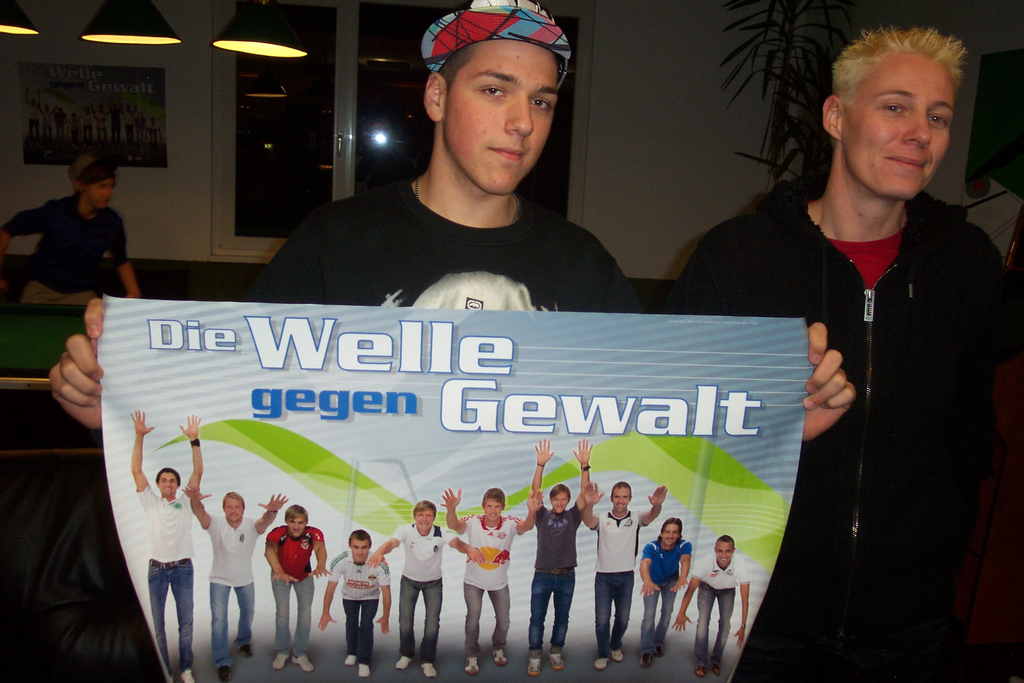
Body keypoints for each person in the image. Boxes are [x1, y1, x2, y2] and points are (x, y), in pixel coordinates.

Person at [665, 27, 1000, 682]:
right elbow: (672, 431)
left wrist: (935, 560)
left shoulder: (967, 265)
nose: (920, 134)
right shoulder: (737, 256)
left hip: (903, 622)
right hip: (756, 609)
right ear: (836, 116)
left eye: (938, 117)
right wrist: (772, 421)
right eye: (896, 107)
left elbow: (968, 439)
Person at [0, 153, 140, 304]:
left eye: (111, 186)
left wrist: (135, 296)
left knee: (95, 315)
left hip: (80, 291)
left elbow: (121, 261)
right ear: (81, 185)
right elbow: (6, 231)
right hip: (41, 289)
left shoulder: (111, 222)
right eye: (102, 186)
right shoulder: (55, 213)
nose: (109, 193)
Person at [182, 488, 288, 682]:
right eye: (229, 507)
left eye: (237, 507)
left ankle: (243, 640)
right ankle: (222, 662)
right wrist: (195, 501)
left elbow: (265, 521)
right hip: (219, 579)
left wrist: (272, 510)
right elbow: (200, 512)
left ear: (243, 509)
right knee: (219, 620)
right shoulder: (215, 523)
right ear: (223, 508)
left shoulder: (251, 525)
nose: (233, 511)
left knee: (248, 612)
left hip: (245, 579)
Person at [130, 411, 203, 683]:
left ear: (177, 485)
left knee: (186, 624)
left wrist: (194, 441)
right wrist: (139, 436)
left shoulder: (185, 501)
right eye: (164, 480)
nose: (168, 483)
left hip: (183, 569)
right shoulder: (151, 502)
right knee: (158, 627)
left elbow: (198, 471)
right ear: (159, 485)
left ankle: (185, 669)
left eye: (172, 480)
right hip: (156, 570)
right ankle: (165, 672)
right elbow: (136, 470)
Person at [443, 486, 541, 676]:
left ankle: (498, 647)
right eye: (489, 506)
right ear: (483, 506)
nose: (493, 510)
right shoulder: (473, 521)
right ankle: (472, 655)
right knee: (473, 619)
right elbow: (455, 526)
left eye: (497, 506)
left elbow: (527, 526)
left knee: (504, 622)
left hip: (499, 583)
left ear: (503, 507)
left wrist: (532, 512)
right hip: (473, 582)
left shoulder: (509, 523)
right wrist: (451, 509)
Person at [525, 439, 599, 676]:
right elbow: (534, 493)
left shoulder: (573, 516)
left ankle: (556, 651)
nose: (559, 502)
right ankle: (535, 655)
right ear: (550, 501)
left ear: (567, 501)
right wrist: (540, 465)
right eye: (555, 499)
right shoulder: (542, 515)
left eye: (563, 499)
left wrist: (584, 466)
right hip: (543, 575)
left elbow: (584, 494)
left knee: (562, 618)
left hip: (567, 576)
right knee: (537, 619)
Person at [366, 500, 458, 679]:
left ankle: (427, 660)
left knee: (432, 624)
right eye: (420, 515)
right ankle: (406, 654)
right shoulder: (406, 530)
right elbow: (392, 543)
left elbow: (457, 543)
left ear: (434, 518)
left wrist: (469, 550)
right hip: (409, 581)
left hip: (433, 583)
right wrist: (380, 551)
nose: (424, 519)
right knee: (405, 622)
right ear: (414, 517)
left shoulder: (441, 532)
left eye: (428, 515)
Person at [581, 479, 667, 670]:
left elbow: (652, 515)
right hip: (603, 577)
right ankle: (603, 654)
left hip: (626, 577)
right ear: (611, 498)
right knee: (602, 620)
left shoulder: (636, 518)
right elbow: (587, 520)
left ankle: (615, 645)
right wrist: (589, 504)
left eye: (625, 497)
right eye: (617, 497)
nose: (620, 501)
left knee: (623, 618)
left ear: (630, 498)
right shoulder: (602, 518)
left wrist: (657, 505)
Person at [673, 536, 750, 678]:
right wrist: (681, 613)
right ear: (715, 550)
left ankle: (716, 660)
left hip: (728, 590)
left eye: (727, 551)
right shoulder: (705, 562)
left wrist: (743, 626)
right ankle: (701, 662)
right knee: (703, 622)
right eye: (720, 551)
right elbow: (691, 589)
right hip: (707, 587)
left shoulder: (740, 564)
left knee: (725, 625)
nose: (724, 555)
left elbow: (745, 598)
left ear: (733, 551)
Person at [319, 530, 393, 679]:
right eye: (356, 547)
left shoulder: (380, 564)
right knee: (351, 623)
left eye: (364, 547)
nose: (360, 552)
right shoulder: (340, 561)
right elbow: (331, 587)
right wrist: (325, 612)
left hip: (370, 597)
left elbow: (386, 592)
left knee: (366, 625)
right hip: (349, 596)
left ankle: (364, 661)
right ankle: (352, 652)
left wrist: (386, 616)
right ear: (350, 546)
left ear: (370, 547)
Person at [264, 504, 329, 673]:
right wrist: (278, 571)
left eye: (300, 523)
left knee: (305, 615)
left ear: (306, 523)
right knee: (282, 613)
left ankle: (300, 654)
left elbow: (320, 547)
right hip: (281, 577)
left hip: (304, 577)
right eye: (292, 522)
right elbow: (269, 550)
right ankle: (282, 651)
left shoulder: (313, 533)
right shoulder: (277, 533)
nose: (296, 526)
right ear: (286, 521)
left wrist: (321, 564)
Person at [638, 517, 691, 668]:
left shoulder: (684, 545)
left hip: (671, 581)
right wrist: (647, 581)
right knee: (649, 615)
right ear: (661, 533)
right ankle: (646, 650)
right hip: (652, 582)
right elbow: (644, 563)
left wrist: (682, 577)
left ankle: (658, 642)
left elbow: (685, 560)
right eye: (667, 532)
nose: (670, 536)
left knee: (667, 612)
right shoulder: (652, 547)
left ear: (679, 535)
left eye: (674, 532)